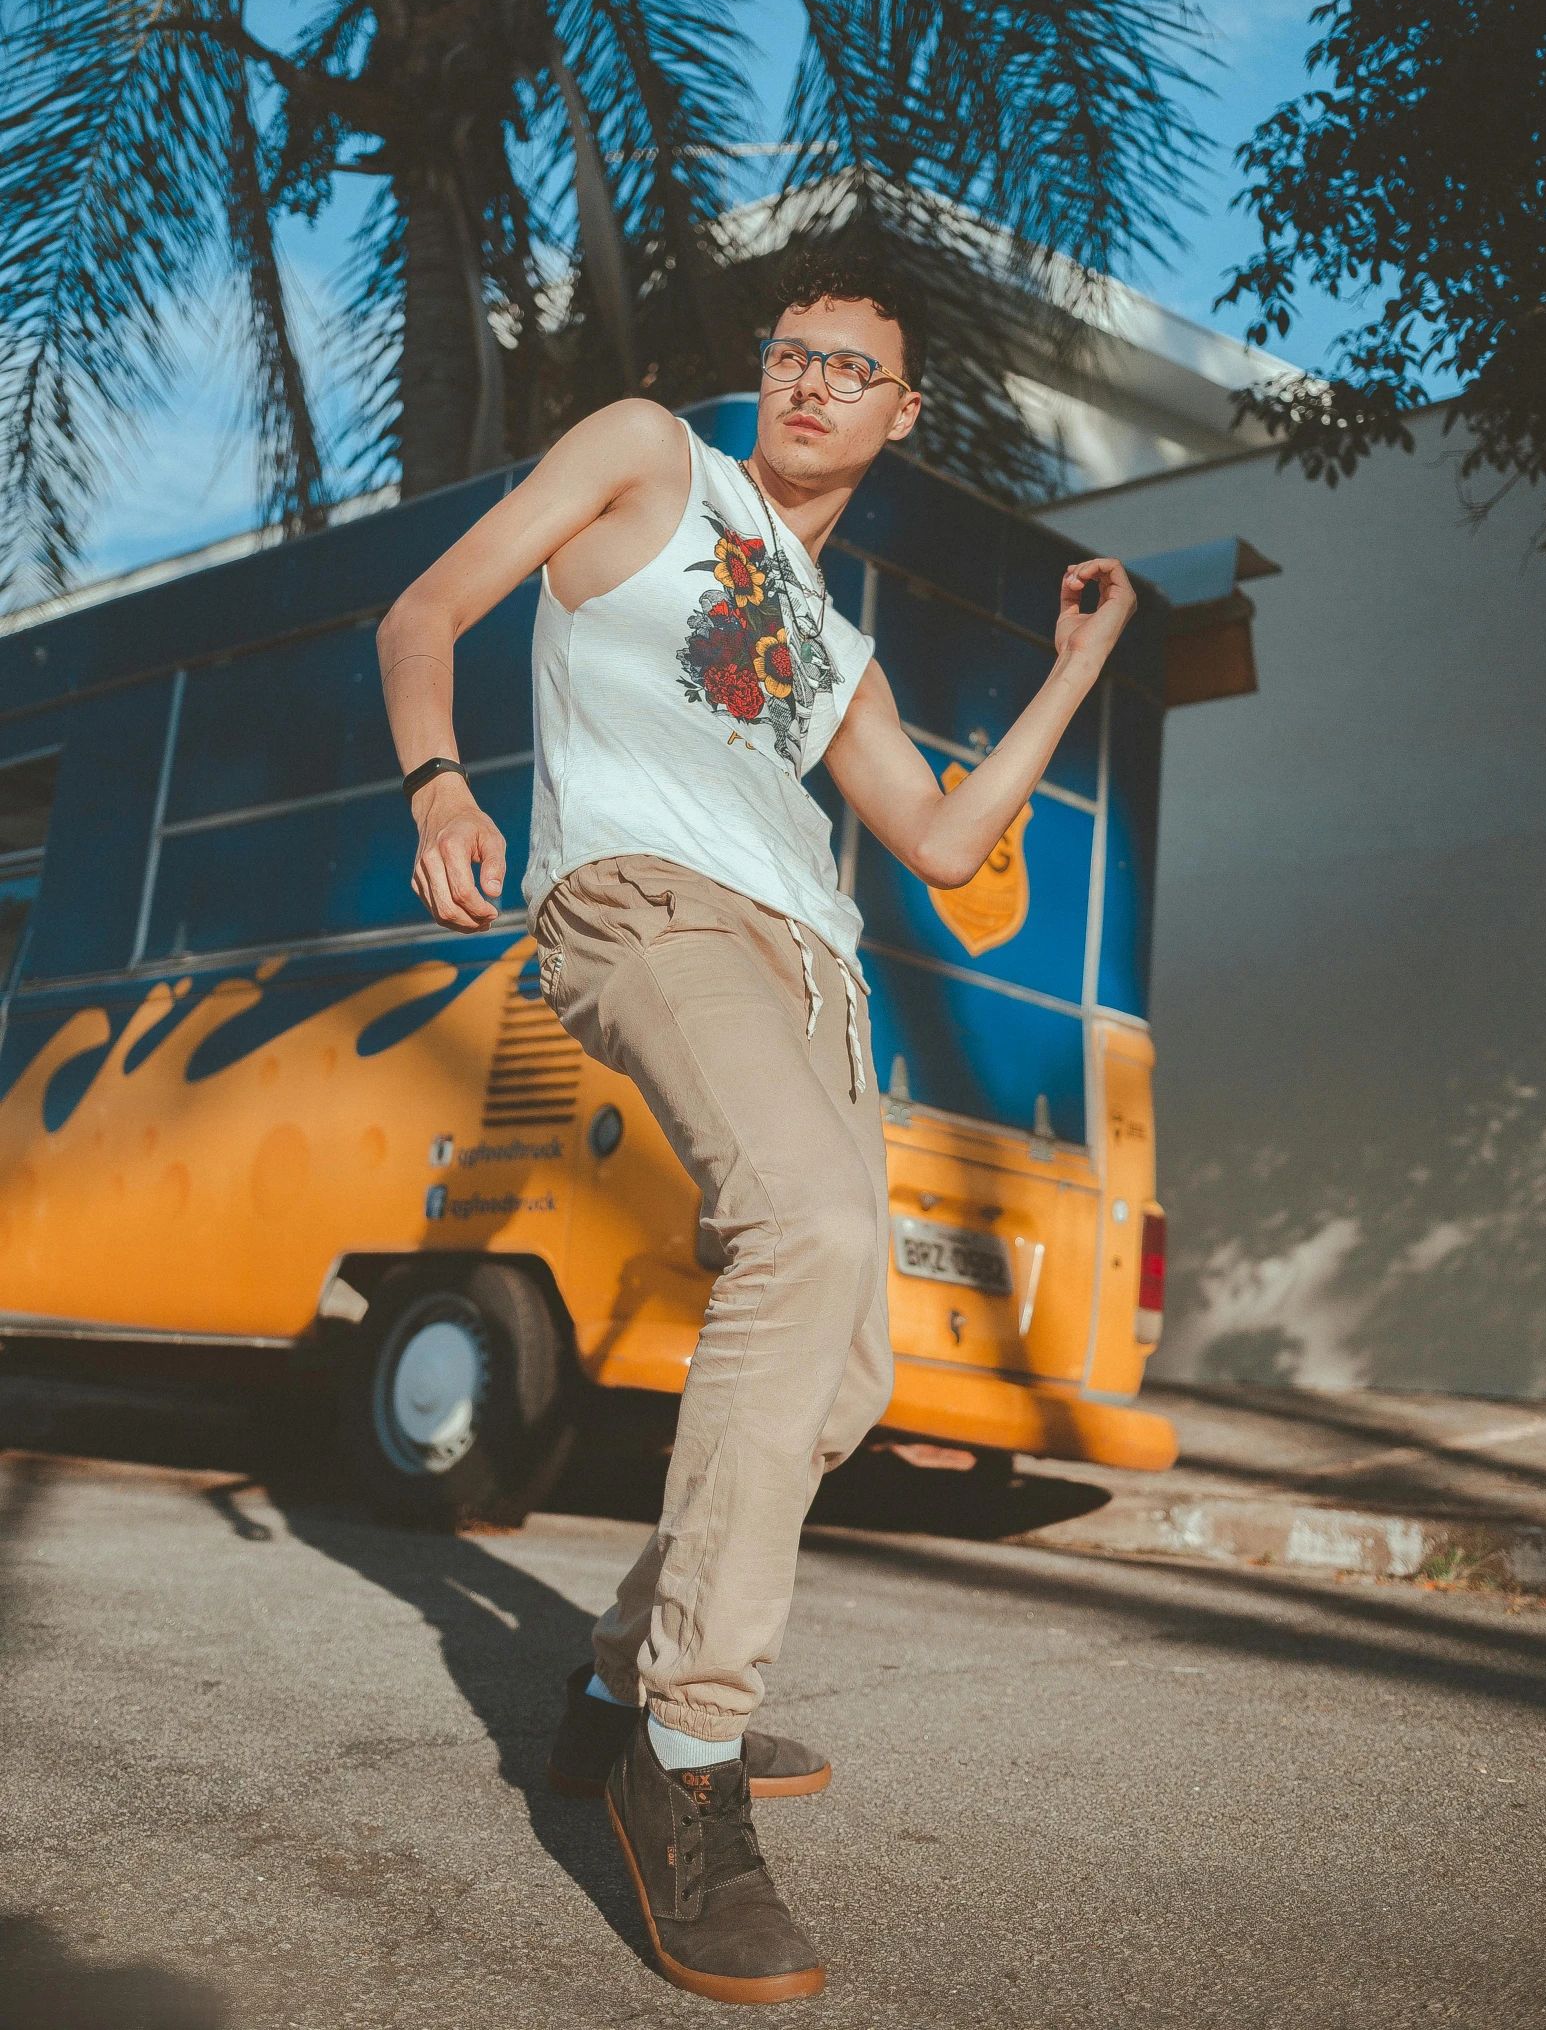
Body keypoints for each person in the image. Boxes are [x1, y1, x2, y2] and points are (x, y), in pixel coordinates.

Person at [377, 248, 1136, 2004]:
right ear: (766, 373)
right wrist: (437, 775)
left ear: (900, 410)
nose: (810, 383)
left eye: (850, 368)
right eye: (794, 354)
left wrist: (1077, 661)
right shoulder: (648, 456)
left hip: (820, 969)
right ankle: (685, 1753)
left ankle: (605, 1689)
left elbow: (942, 849)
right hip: (646, 905)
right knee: (803, 1228)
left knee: (849, 1376)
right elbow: (426, 613)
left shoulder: (837, 641)